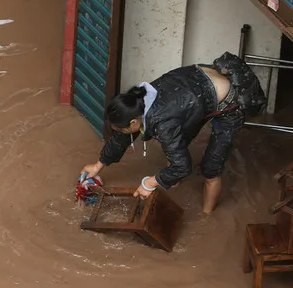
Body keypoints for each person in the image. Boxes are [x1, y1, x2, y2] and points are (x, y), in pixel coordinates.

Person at [80, 52, 267, 214]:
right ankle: (172, 180)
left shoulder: (163, 123)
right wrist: (98, 165)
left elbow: (183, 166)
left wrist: (150, 183)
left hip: (230, 103)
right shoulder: (138, 99)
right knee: (175, 150)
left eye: (121, 128)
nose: (120, 133)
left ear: (133, 122)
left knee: (211, 169)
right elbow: (122, 137)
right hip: (197, 93)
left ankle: (207, 215)